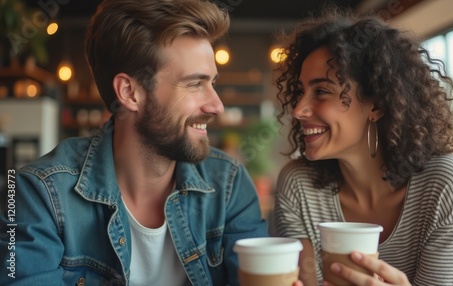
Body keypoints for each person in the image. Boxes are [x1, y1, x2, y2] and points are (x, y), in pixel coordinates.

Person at [0, 0, 270, 285]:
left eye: (212, 83)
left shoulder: (229, 184)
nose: (217, 106)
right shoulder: (37, 193)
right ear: (129, 93)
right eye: (194, 84)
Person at [273, 7, 453, 286]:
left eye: (321, 91)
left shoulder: (442, 184)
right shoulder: (298, 186)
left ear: (377, 105)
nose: (297, 110)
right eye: (299, 92)